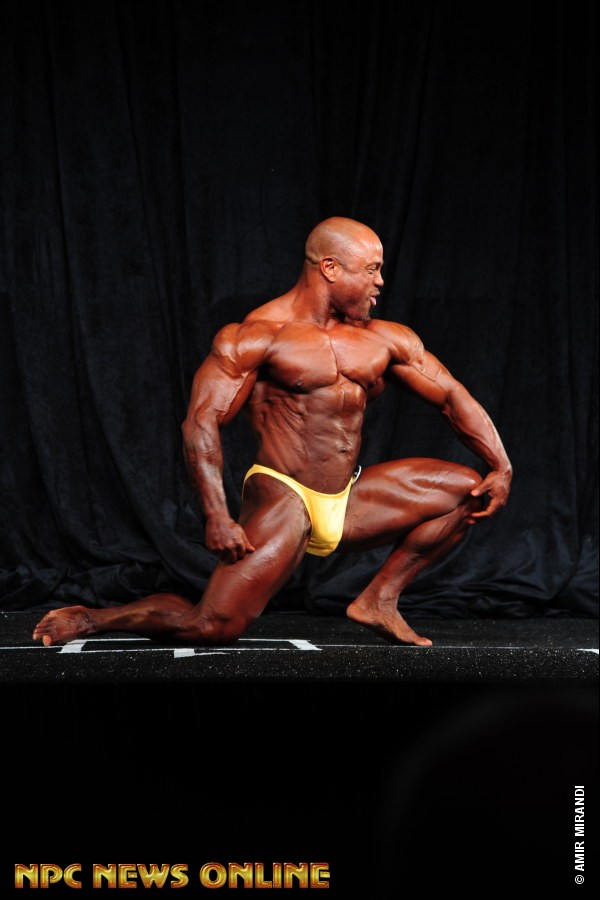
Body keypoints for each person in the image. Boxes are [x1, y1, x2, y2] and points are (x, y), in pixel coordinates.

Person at [33, 216, 512, 648]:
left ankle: (379, 600)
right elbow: (201, 421)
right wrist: (217, 515)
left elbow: (451, 396)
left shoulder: (383, 338)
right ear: (329, 268)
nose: (380, 282)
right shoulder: (257, 335)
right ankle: (95, 618)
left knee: (469, 491)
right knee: (211, 626)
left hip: (348, 498)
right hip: (285, 495)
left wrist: (501, 465)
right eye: (371, 270)